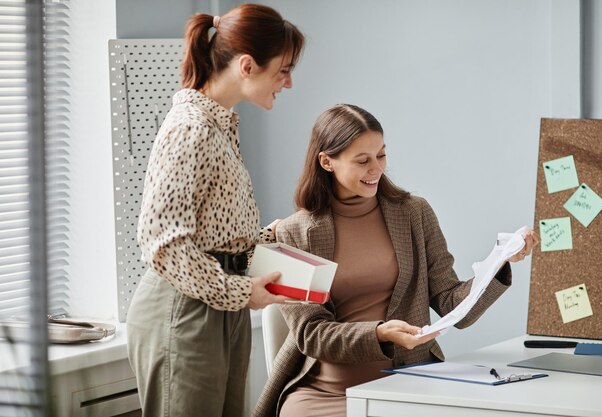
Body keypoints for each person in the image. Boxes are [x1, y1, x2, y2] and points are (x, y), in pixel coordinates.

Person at [253, 104, 539, 417]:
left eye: (381, 155)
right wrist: (378, 334)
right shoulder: (294, 233)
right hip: (327, 393)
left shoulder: (414, 213)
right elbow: (311, 335)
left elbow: (451, 303)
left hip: (408, 383)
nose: (376, 168)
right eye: (362, 160)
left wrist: (498, 264)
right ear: (326, 162)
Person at [126, 5, 304, 417]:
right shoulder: (191, 129)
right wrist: (242, 292)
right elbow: (163, 244)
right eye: (283, 70)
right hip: (184, 310)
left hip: (221, 306)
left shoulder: (219, 125)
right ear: (247, 65)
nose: (289, 82)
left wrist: (268, 237)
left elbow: (215, 229)